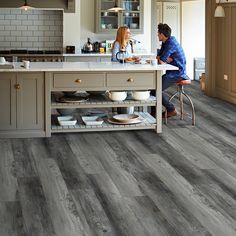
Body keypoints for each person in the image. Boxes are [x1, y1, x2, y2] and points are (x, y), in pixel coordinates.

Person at [154, 23, 189, 118]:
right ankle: (155, 112)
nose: (157, 35)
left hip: (177, 73)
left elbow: (161, 60)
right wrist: (164, 59)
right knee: (153, 86)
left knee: (156, 88)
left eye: (158, 33)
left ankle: (171, 110)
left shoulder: (171, 43)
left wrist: (164, 59)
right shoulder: (166, 42)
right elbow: (160, 57)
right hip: (172, 71)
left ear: (162, 34)